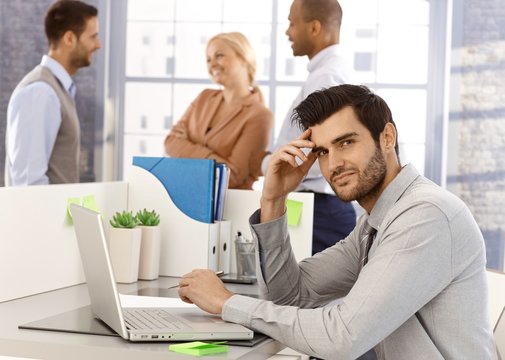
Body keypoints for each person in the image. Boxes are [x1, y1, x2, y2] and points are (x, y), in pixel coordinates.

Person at [176, 85, 498, 359]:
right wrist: (273, 200)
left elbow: (342, 337)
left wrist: (226, 302)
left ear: (387, 137)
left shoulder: (425, 216)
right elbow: (291, 295)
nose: (335, 163)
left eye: (346, 142)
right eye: (323, 152)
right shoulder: (374, 224)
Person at [263, 0, 357, 254]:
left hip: (322, 211)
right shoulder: (326, 72)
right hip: (319, 207)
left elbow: (321, 151)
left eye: (292, 23)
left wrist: (271, 164)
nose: (287, 32)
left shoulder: (325, 77)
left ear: (314, 27)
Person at [4, 0, 101, 186]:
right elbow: (28, 183)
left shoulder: (56, 90)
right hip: (40, 215)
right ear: (69, 39)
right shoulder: (41, 92)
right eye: (93, 37)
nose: (98, 45)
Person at [164, 32, 273, 190]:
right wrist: (213, 160)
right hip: (188, 195)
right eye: (208, 59)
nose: (212, 64)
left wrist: (188, 149)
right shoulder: (204, 98)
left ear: (244, 58)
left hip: (229, 208)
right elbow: (170, 142)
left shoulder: (260, 116)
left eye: (219, 56)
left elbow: (232, 177)